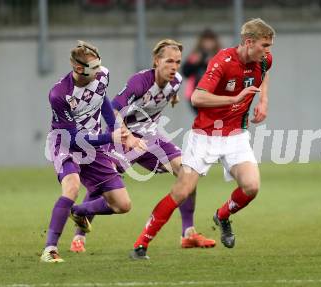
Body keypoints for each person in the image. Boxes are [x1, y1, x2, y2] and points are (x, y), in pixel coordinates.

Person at [130, 18, 275, 260]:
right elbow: (198, 97)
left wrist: (263, 101)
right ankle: (141, 244)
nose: (268, 51)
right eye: (265, 45)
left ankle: (222, 216)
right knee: (182, 190)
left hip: (236, 136)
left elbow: (265, 73)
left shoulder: (263, 60)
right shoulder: (222, 61)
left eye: (270, 46)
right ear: (249, 42)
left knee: (251, 186)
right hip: (205, 135)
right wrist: (235, 99)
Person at [68, 39, 215, 254]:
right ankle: (79, 230)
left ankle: (188, 233)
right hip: (124, 136)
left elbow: (166, 97)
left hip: (151, 138)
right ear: (156, 61)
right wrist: (126, 136)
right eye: (168, 61)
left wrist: (171, 100)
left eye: (177, 62)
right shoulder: (140, 81)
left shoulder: (176, 82)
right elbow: (113, 108)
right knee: (105, 182)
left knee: (188, 171)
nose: (174, 66)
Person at [41, 40, 145, 263]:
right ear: (79, 69)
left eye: (100, 66)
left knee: (122, 205)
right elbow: (75, 139)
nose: (99, 72)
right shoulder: (59, 94)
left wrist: (122, 132)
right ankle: (50, 249)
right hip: (66, 143)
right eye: (93, 68)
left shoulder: (102, 75)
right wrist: (110, 137)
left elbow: (103, 103)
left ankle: (77, 211)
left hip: (94, 144)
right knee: (72, 186)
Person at [182, 29, 221, 114]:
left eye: (210, 40)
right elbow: (185, 72)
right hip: (195, 93)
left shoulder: (220, 56)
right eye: (206, 40)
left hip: (214, 95)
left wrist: (213, 63)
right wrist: (195, 63)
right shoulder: (195, 55)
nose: (208, 43)